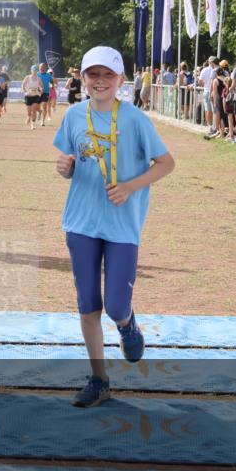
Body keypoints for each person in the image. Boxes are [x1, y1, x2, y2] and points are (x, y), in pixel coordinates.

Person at [53, 46, 174, 407]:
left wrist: (130, 187)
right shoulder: (74, 116)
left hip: (122, 224)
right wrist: (65, 167)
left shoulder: (135, 119)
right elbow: (67, 160)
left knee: (115, 305)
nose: (100, 81)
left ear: (121, 79)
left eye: (108, 75)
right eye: (93, 74)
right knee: (88, 304)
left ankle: (127, 324)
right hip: (80, 221)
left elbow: (166, 163)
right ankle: (99, 379)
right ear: (83, 79)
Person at [199, 57, 219, 130]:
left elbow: (200, 81)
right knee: (216, 110)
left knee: (208, 109)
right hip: (216, 91)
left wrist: (204, 84)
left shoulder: (205, 70)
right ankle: (216, 126)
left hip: (207, 90)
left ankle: (210, 126)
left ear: (209, 62)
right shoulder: (219, 69)